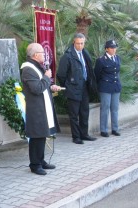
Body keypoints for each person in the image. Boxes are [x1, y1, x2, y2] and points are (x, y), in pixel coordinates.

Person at [21, 43, 61, 175]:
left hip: (42, 106)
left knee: (42, 134)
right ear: (35, 55)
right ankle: (35, 164)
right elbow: (36, 88)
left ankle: (41, 160)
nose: (44, 55)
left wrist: (51, 86)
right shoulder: (28, 69)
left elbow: (41, 86)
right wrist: (46, 77)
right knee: (36, 136)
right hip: (35, 108)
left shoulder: (37, 67)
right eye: (42, 53)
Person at [57, 33, 97, 144]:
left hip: (84, 87)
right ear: (74, 42)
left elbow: (88, 69)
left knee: (84, 112)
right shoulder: (68, 56)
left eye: (82, 43)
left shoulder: (85, 53)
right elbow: (61, 74)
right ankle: (76, 137)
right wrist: (68, 85)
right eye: (78, 43)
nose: (80, 45)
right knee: (74, 114)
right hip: (73, 89)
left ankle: (84, 134)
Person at [94, 40, 121, 137]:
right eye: (111, 48)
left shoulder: (117, 58)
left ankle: (115, 129)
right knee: (105, 108)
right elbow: (96, 74)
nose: (114, 50)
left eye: (115, 47)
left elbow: (117, 73)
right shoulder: (101, 60)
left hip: (115, 87)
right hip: (105, 87)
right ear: (106, 49)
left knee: (115, 108)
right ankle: (104, 130)